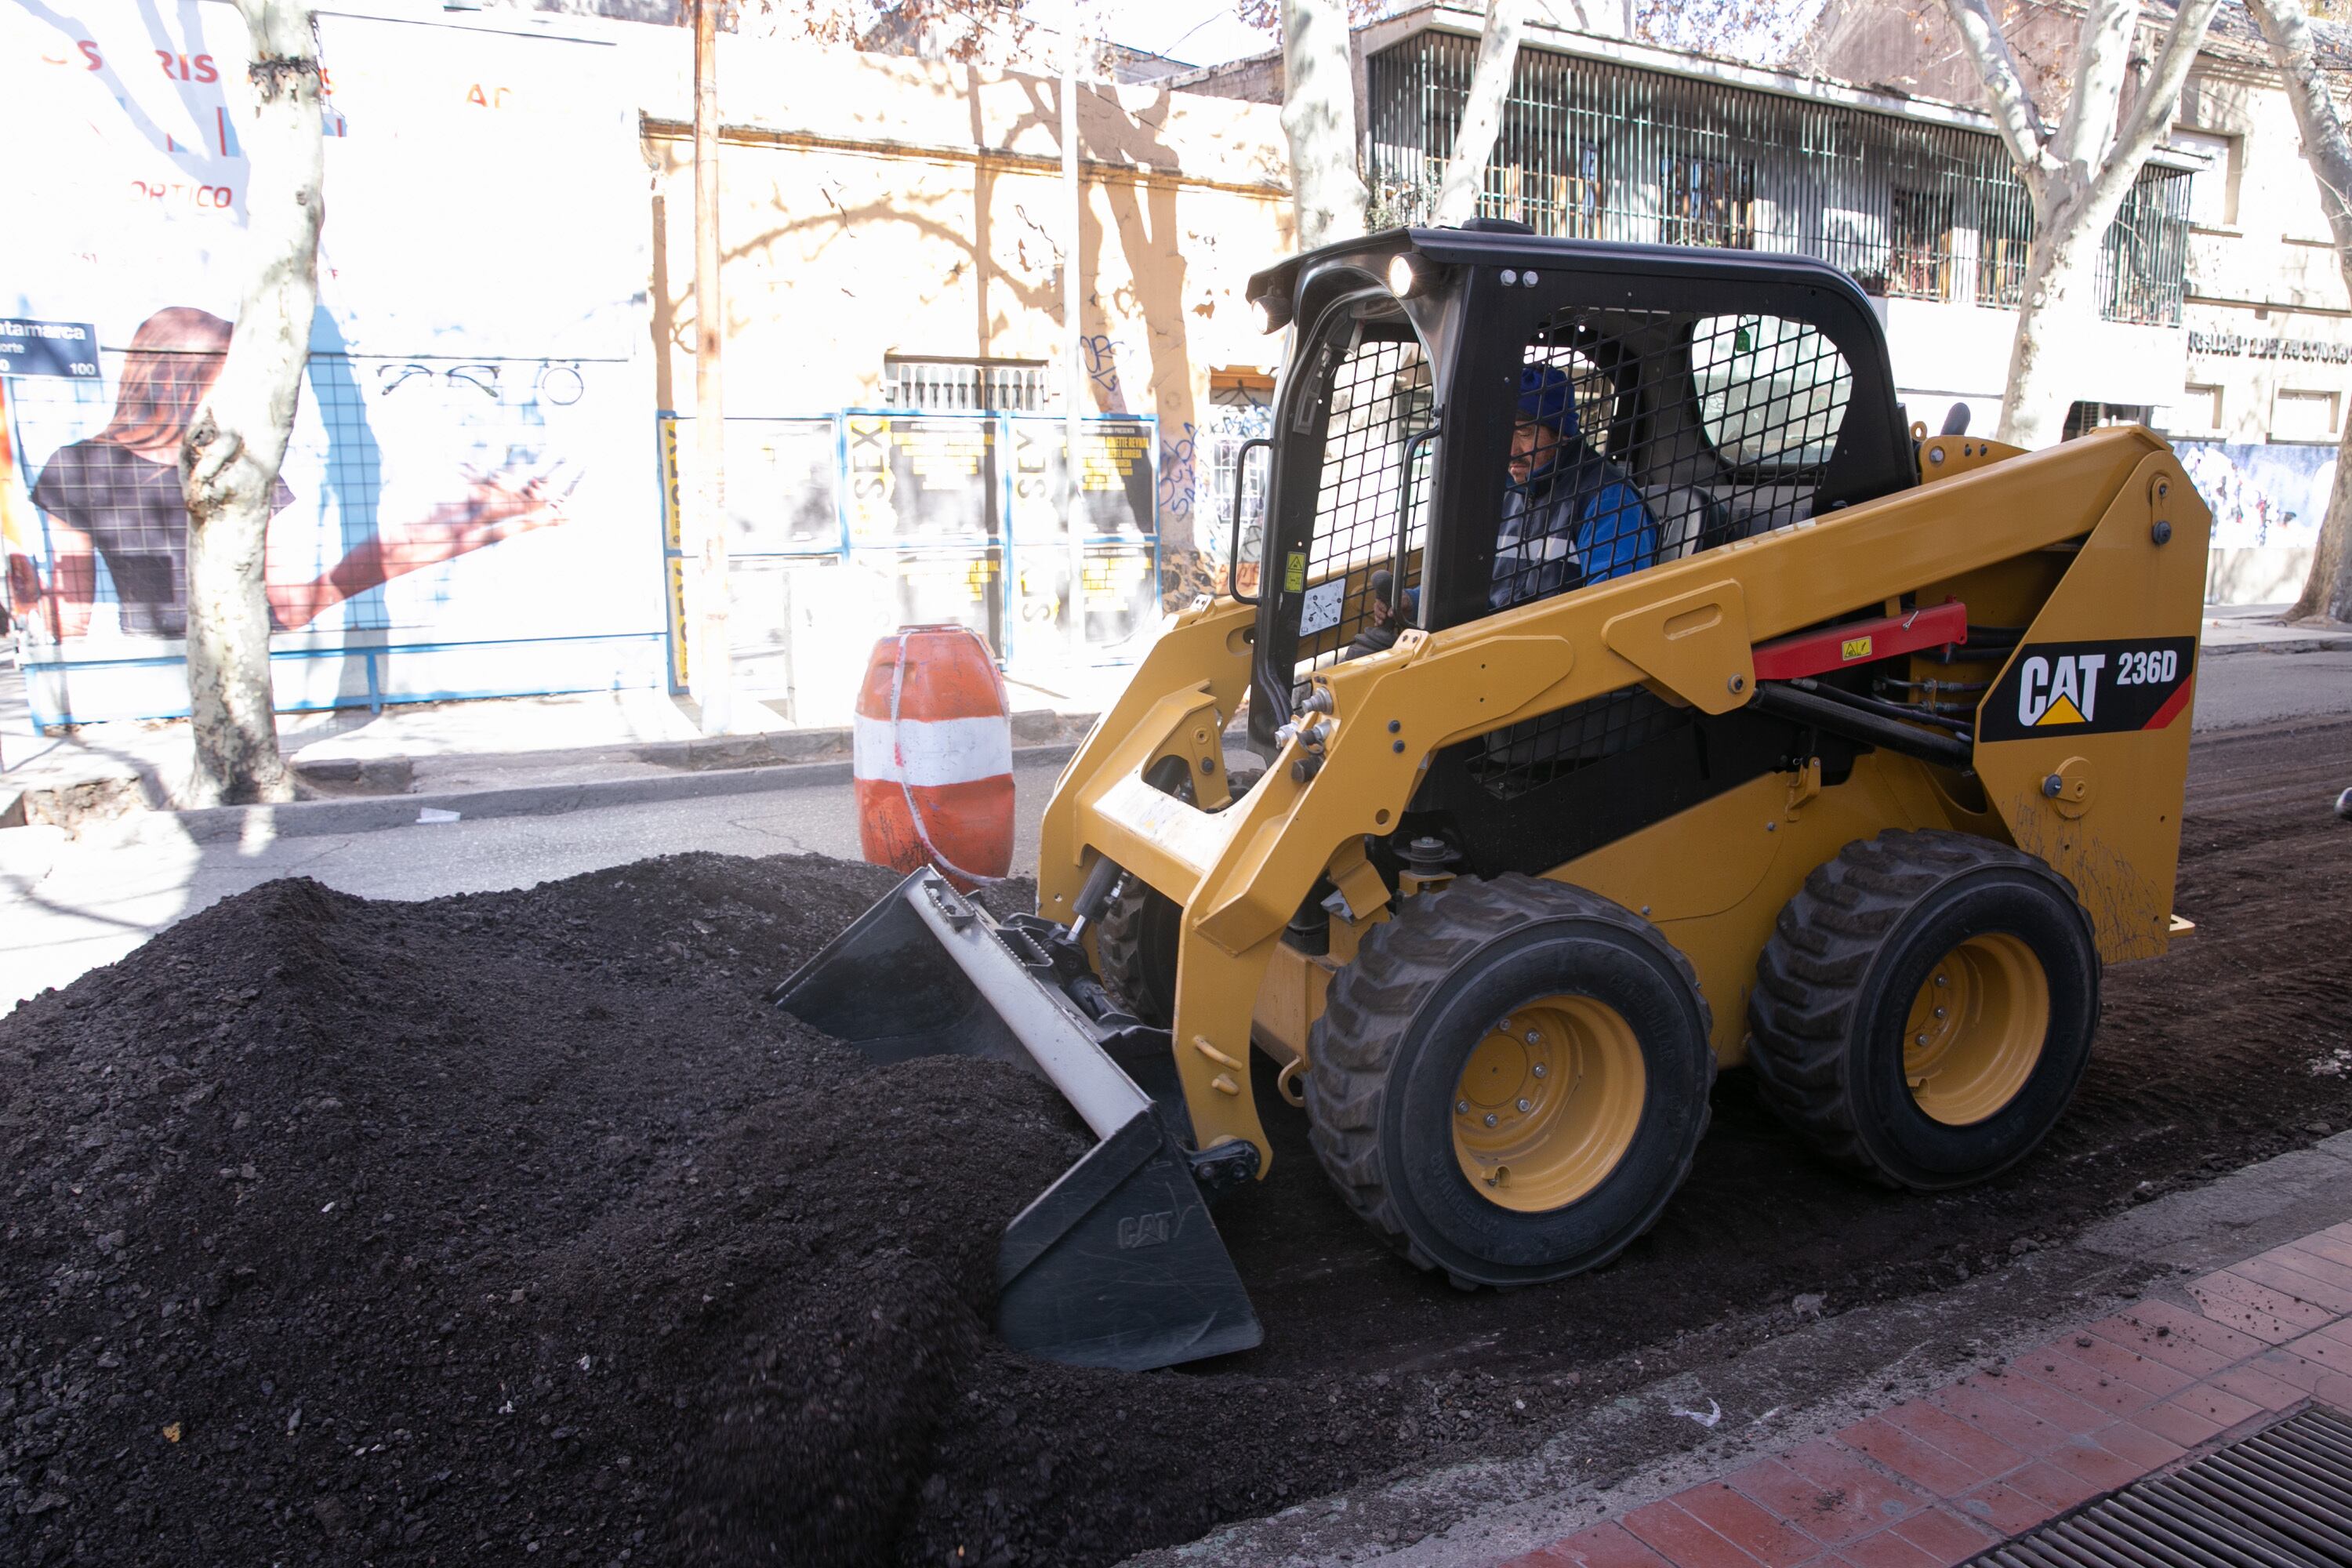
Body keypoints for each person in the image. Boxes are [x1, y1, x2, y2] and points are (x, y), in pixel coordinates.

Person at [17, 306, 571, 642]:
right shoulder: (224, 458)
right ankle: (503, 515)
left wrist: (35, 602)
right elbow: (283, 602)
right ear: (179, 381)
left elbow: (73, 620)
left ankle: (501, 514)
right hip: (225, 633)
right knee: (384, 550)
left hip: (209, 632)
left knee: (386, 548)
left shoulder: (80, 462)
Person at [1493, 363, 1658, 610]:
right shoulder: (1504, 494)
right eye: (1505, 434)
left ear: (1562, 434)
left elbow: (1612, 608)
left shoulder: (1608, 499)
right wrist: (1416, 601)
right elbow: (1468, 582)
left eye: (1524, 434)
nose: (1511, 451)